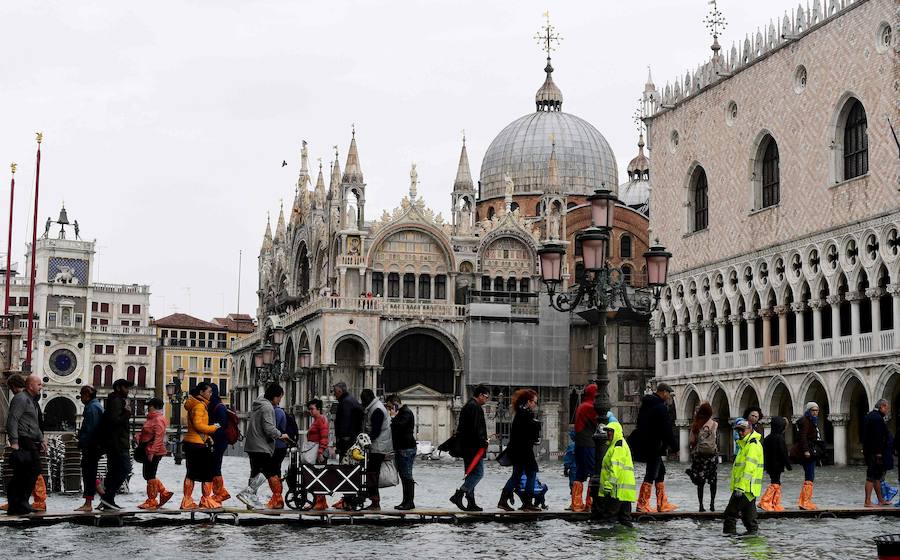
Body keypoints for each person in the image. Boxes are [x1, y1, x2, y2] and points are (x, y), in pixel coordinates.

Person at [236, 383, 290, 509]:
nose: (280, 401)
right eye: (279, 397)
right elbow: (269, 429)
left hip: (252, 445)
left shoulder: (258, 405)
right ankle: (249, 493)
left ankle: (250, 501)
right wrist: (282, 435)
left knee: (255, 472)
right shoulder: (267, 407)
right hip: (261, 445)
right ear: (274, 396)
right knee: (270, 471)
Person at [0, 375, 47, 514]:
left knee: (29, 472)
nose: (41, 386)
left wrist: (42, 439)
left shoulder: (30, 400)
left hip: (31, 440)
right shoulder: (21, 399)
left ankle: (21, 502)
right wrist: (14, 441)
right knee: (25, 472)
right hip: (23, 440)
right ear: (30, 386)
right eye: (38, 384)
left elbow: (34, 423)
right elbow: (12, 419)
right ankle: (18, 503)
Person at [632, 382, 678, 512]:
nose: (669, 396)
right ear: (663, 392)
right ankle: (642, 504)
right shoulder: (660, 407)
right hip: (654, 445)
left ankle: (662, 503)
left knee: (660, 472)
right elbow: (666, 430)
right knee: (651, 473)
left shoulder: (646, 405)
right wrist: (675, 447)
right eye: (668, 394)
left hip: (647, 443)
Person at [180, 382, 222, 510]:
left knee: (191, 473)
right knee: (207, 473)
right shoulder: (199, 406)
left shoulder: (196, 404)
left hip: (192, 442)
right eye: (209, 391)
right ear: (201, 392)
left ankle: (187, 500)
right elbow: (198, 425)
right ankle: (206, 500)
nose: (211, 394)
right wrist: (213, 428)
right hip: (197, 444)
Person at [499, 389, 541, 512]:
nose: (535, 405)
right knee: (532, 473)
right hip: (524, 451)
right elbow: (527, 434)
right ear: (529, 401)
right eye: (534, 402)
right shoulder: (525, 414)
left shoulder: (520, 413)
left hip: (518, 450)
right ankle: (527, 503)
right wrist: (535, 427)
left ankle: (503, 501)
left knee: (516, 476)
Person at [449, 385, 490, 512]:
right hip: (474, 447)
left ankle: (471, 502)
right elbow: (476, 429)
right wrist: (484, 442)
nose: (487, 400)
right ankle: (459, 494)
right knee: (478, 473)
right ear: (481, 395)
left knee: (470, 474)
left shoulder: (468, 406)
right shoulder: (475, 407)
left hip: (466, 447)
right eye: (486, 397)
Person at [97, 379, 133, 510]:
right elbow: (115, 421)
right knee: (125, 469)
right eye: (126, 387)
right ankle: (108, 497)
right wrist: (127, 413)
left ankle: (108, 500)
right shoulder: (116, 401)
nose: (128, 390)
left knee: (114, 471)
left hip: (114, 442)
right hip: (117, 443)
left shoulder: (114, 400)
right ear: (118, 387)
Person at [723, 419, 763, 535]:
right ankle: (753, 541)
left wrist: (740, 488)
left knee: (730, 514)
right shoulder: (745, 445)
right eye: (738, 430)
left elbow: (749, 469)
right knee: (749, 518)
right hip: (748, 489)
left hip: (745, 488)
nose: (740, 433)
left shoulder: (752, 445)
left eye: (742, 430)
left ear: (750, 429)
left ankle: (730, 543)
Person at [134, 398, 173, 510]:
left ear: (154, 406)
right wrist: (139, 437)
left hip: (154, 451)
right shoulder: (151, 418)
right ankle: (163, 493)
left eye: (149, 406)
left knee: (149, 475)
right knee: (149, 475)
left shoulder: (158, 419)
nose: (148, 408)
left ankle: (152, 500)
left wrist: (152, 452)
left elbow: (159, 438)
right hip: (148, 450)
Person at [598, 418, 636, 527]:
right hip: (623, 490)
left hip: (617, 489)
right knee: (625, 520)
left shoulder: (618, 446)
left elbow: (615, 468)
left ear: (617, 432)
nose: (608, 433)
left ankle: (609, 540)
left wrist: (609, 485)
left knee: (610, 519)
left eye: (611, 431)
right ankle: (625, 539)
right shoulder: (618, 444)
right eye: (607, 431)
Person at [331, 381, 363, 510]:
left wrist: (342, 441)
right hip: (353, 440)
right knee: (350, 471)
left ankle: (349, 500)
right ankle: (349, 498)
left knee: (346, 471)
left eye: (334, 391)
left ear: (340, 391)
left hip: (348, 443)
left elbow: (343, 424)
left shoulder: (345, 403)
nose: (333, 394)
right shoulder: (351, 400)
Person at [360, 389, 392, 511]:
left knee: (372, 474)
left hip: (378, 447)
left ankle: (375, 502)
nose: (362, 402)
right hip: (377, 446)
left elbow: (376, 431)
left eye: (363, 400)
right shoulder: (374, 407)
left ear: (367, 399)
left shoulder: (376, 410)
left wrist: (365, 442)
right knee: (372, 473)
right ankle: (373, 500)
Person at [685, 401, 718, 512]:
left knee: (700, 482)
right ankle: (712, 504)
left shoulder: (696, 424)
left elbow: (691, 440)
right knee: (713, 481)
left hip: (700, 457)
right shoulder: (714, 424)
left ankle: (701, 506)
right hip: (712, 457)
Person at [75, 384, 103, 512]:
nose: (80, 398)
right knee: (89, 472)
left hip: (91, 445)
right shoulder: (96, 405)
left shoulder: (91, 408)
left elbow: (90, 429)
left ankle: (88, 503)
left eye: (81, 395)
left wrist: (82, 441)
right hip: (95, 445)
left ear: (86, 395)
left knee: (88, 473)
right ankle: (104, 497)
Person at [790, 401, 822, 510]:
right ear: (808, 411)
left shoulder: (811, 421)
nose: (815, 412)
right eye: (813, 410)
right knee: (809, 476)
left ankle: (804, 501)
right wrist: (806, 451)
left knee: (809, 477)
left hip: (810, 451)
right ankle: (805, 502)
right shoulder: (806, 421)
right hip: (807, 453)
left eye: (817, 410)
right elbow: (802, 437)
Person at [571, 383, 598, 512]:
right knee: (593, 472)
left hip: (580, 443)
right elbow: (600, 421)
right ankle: (590, 502)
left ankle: (576, 504)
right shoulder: (589, 407)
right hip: (588, 443)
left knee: (580, 473)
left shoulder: (583, 406)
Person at [386, 394, 416, 510]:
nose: (389, 410)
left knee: (407, 476)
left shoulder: (406, 412)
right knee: (404, 476)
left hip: (406, 448)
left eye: (390, 407)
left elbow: (400, 426)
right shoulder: (402, 413)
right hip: (402, 447)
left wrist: (393, 417)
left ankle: (409, 502)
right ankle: (405, 501)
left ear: (395, 405)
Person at [863, 398, 891, 507]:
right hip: (875, 453)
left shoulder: (869, 416)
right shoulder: (877, 419)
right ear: (882, 406)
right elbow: (878, 437)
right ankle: (867, 501)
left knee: (877, 477)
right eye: (886, 408)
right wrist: (879, 453)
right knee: (871, 477)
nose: (887, 411)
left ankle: (881, 500)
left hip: (869, 451)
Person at [759, 416, 792, 512]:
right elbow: (783, 453)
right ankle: (765, 502)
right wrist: (788, 465)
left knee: (776, 482)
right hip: (777, 465)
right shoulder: (779, 438)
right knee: (775, 483)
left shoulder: (767, 438)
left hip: (769, 465)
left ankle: (774, 503)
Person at [207, 383, 231, 504]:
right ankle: (219, 493)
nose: (208, 394)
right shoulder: (212, 405)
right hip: (216, 440)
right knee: (214, 467)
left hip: (219, 441)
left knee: (216, 467)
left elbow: (221, 425)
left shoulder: (219, 407)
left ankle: (220, 493)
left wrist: (210, 430)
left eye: (210, 392)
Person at [305, 398, 330, 510]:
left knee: (319, 476)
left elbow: (324, 437)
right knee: (316, 476)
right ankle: (319, 501)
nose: (310, 411)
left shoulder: (321, 420)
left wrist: (320, 452)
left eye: (312, 409)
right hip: (315, 451)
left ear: (318, 409)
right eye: (309, 409)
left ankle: (320, 502)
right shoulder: (316, 420)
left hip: (319, 453)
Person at [562, 428, 577, 509]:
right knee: (579, 486)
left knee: (573, 486)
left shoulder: (572, 446)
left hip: (574, 469)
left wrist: (565, 469)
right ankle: (578, 503)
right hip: (581, 469)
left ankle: (574, 504)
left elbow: (568, 458)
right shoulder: (583, 445)